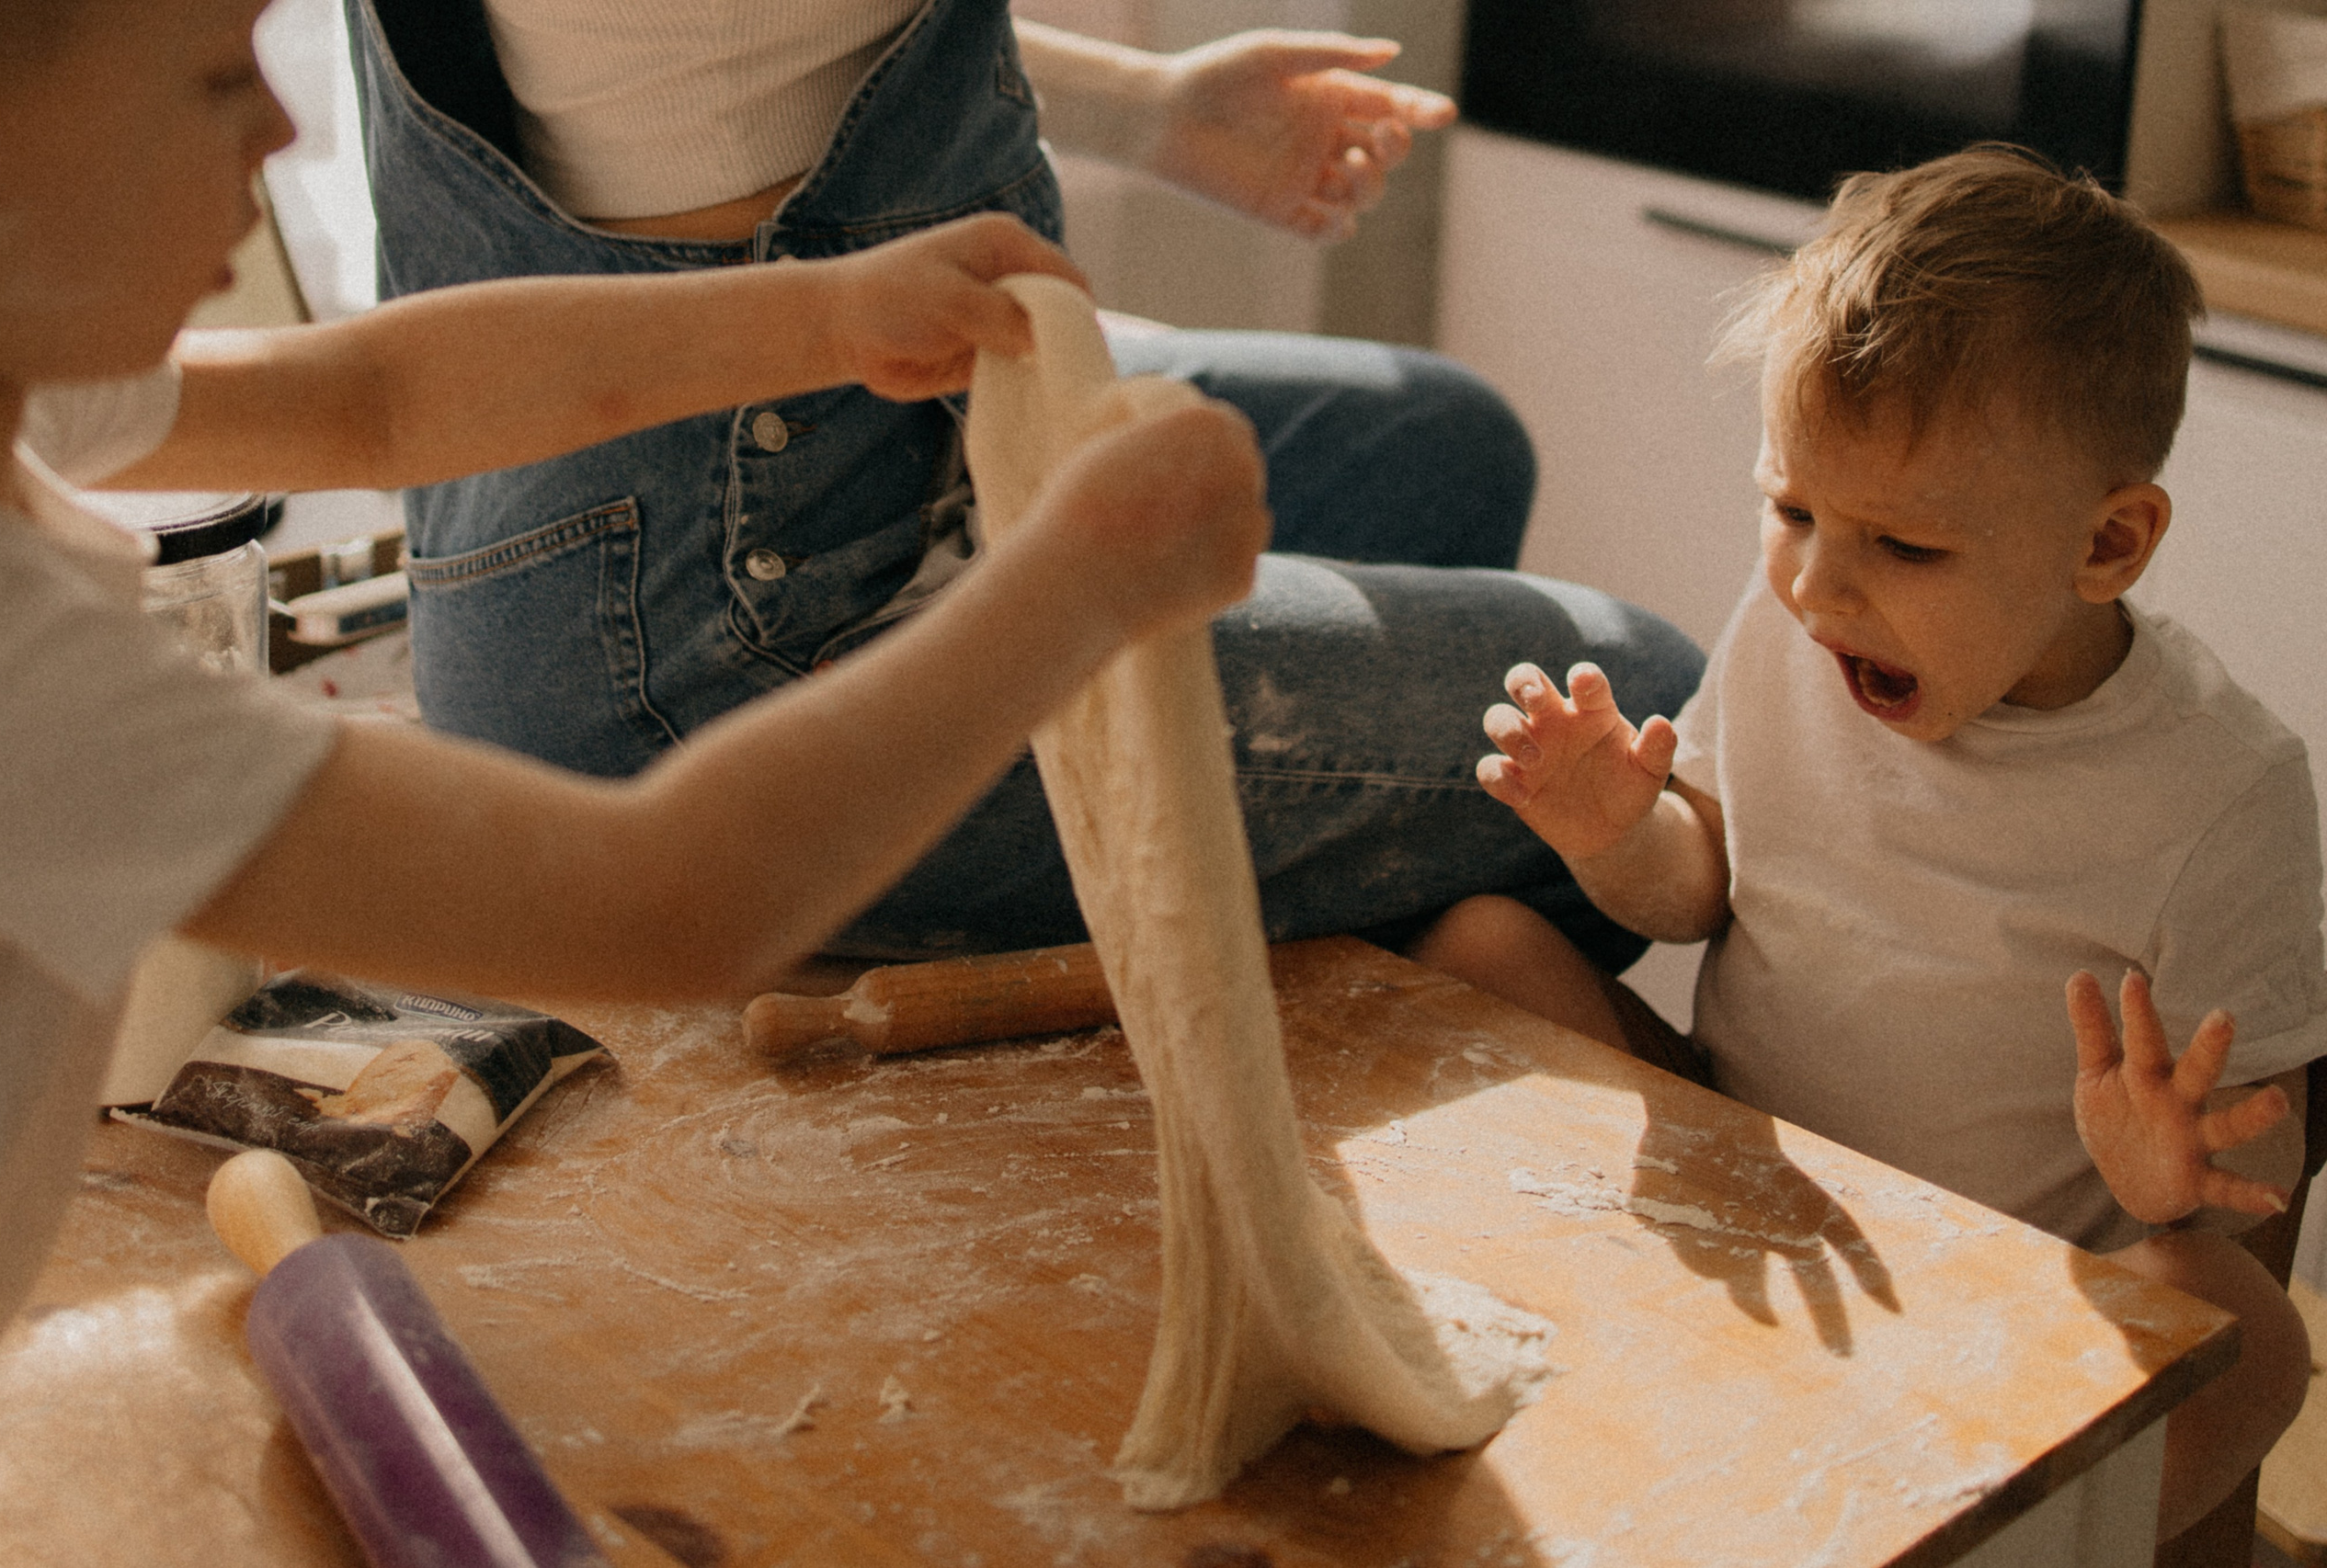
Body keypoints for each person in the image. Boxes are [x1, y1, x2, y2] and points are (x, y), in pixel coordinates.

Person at [0, 0, 1273, 1381]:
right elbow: (662, 898)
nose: (287, 125)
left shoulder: (16, 374)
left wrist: (822, 312)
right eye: (219, 77)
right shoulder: (18, 670)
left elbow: (378, 398)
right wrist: (1078, 588)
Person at [345, 0, 1706, 969]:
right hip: (706, 641)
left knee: (1438, 447)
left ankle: (1272, 924)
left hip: (643, 524)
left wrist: (1154, 112)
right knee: (1639, 697)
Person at [1414, 146, 2321, 1543]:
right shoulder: (1800, 627)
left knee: (2254, 1333)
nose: (1817, 585)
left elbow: (2250, 1187)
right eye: (1791, 510)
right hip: (1754, 1179)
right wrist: (1619, 834)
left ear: (2109, 543)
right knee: (1485, 943)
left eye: (1903, 546)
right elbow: (1700, 877)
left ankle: (1997, 1535)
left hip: (2020, 1294)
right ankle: (1585, 1359)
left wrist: (2168, 1187)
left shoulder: (2222, 791)